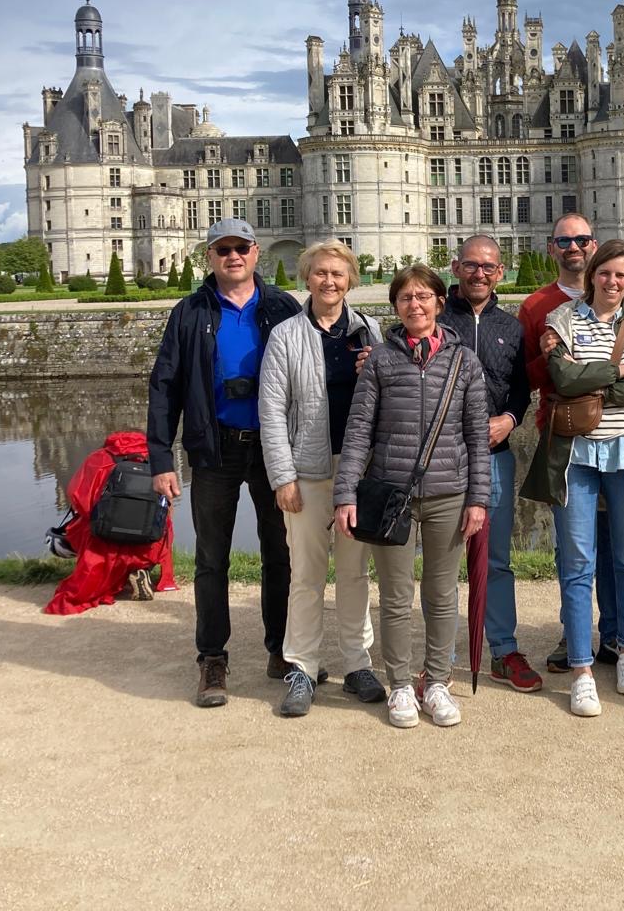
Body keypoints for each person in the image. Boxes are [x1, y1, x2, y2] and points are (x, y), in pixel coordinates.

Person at [147, 218, 300, 708]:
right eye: (222, 249)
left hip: (273, 448)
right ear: (209, 256)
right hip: (214, 447)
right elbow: (164, 386)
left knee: (280, 552)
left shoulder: (281, 307)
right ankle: (212, 657)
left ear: (255, 253)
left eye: (240, 248)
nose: (233, 256)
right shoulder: (190, 311)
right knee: (212, 557)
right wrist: (161, 459)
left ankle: (281, 648)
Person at [332, 264, 491, 729]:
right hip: (391, 494)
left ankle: (436, 681)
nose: (414, 305)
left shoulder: (464, 361)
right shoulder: (381, 360)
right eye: (405, 298)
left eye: (423, 296)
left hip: (447, 492)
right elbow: (358, 431)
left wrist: (478, 498)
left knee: (441, 594)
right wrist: (345, 493)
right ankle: (400, 683)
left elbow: (477, 437)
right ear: (396, 306)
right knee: (396, 595)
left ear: (440, 302)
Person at [524, 240, 624, 716]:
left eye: (621, 275)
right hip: (576, 457)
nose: (612, 282)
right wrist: (617, 371)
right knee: (578, 562)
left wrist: (594, 380)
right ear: (592, 276)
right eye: (605, 273)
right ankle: (582, 668)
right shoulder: (562, 320)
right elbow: (562, 382)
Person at [257, 241, 384, 717]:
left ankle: (357, 663)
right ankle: (303, 667)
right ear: (306, 277)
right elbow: (271, 411)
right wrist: (282, 477)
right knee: (306, 575)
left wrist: (376, 370)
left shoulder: (369, 330)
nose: (329, 281)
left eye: (338, 273)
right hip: (307, 473)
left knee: (354, 573)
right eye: (320, 273)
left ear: (351, 280)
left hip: (357, 471)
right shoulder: (286, 335)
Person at [437, 234, 538, 692]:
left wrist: (510, 419)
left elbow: (521, 389)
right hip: (442, 457)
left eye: (488, 267)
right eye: (471, 265)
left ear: (500, 272)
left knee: (496, 558)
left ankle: (502, 648)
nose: (479, 274)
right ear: (456, 267)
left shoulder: (511, 328)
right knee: (442, 560)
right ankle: (441, 657)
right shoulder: (435, 319)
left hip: (495, 455)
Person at [43, 429, 177, 616]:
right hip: (147, 543)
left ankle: (113, 576)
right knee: (164, 524)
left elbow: (78, 498)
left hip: (106, 541)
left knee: (83, 526)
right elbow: (168, 504)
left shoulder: (98, 459)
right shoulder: (157, 461)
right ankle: (141, 568)